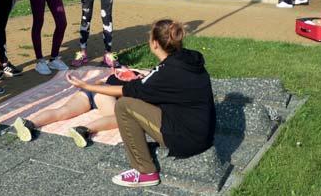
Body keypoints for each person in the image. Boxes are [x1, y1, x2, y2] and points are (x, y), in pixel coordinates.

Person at [67, 19, 216, 187]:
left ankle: (145, 172)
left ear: (154, 43)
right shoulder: (189, 58)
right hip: (204, 133)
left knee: (124, 105)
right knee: (140, 99)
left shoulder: (166, 72)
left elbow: (127, 91)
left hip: (187, 140)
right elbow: (152, 86)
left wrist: (86, 86)